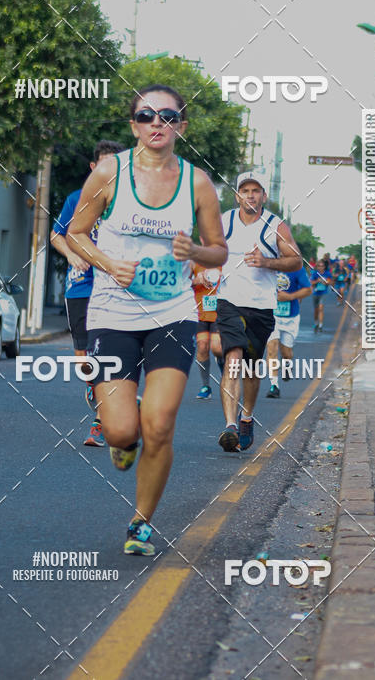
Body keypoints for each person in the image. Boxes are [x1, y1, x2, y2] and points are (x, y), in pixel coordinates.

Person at [66, 84, 227, 555]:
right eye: (146, 116)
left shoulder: (197, 183)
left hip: (172, 313)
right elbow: (75, 234)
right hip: (112, 314)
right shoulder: (110, 173)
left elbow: (219, 249)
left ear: (182, 125)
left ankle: (141, 523)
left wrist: (196, 250)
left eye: (168, 116)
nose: (157, 123)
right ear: (134, 123)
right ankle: (122, 441)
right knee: (121, 429)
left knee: (159, 423)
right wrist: (107, 264)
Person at [215, 172, 303, 453]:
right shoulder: (223, 221)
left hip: (262, 306)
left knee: (251, 369)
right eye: (245, 190)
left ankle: (246, 418)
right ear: (237, 195)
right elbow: (209, 251)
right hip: (228, 301)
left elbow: (296, 261)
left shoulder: (275, 226)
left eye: (255, 190)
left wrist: (267, 261)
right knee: (233, 358)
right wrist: (207, 269)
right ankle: (229, 426)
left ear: (264, 196)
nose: (250, 195)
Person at [50, 139, 124, 447]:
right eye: (103, 165)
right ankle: (98, 392)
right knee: (84, 361)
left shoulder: (130, 204)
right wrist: (71, 254)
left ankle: (100, 421)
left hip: (116, 288)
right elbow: (57, 234)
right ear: (93, 167)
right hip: (80, 287)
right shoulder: (76, 199)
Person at [266, 267, 312, 397]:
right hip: (271, 315)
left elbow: (308, 289)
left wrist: (290, 296)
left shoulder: (296, 268)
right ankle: (274, 385)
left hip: (290, 316)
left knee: (286, 352)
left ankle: (287, 363)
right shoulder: (268, 264)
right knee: (271, 348)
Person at [191, 263, 223, 399]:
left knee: (217, 348)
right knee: (202, 347)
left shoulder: (226, 259)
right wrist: (195, 281)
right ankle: (206, 386)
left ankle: (224, 374)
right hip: (200, 312)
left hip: (220, 311)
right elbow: (181, 284)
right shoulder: (194, 260)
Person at [311, 258, 333, 332]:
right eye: (319, 266)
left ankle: (320, 325)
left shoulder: (327, 273)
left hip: (323, 293)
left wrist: (326, 282)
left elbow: (331, 282)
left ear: (324, 267)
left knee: (321, 308)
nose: (321, 267)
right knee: (316, 310)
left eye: (322, 266)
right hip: (315, 293)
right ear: (317, 267)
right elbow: (311, 283)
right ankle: (316, 323)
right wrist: (318, 280)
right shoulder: (314, 273)